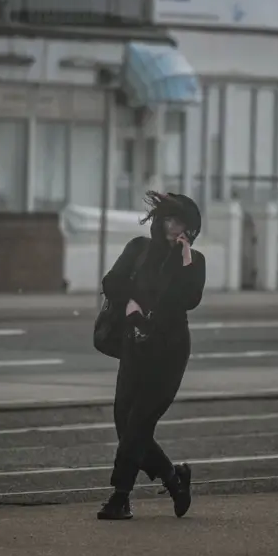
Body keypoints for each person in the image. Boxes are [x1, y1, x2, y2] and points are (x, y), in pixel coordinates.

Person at [97, 190, 207, 521]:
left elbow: (189, 299)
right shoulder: (138, 250)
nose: (174, 227)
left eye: (182, 223)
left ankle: (120, 496)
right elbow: (111, 282)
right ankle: (175, 478)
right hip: (136, 345)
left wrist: (185, 258)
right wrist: (132, 302)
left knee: (140, 423)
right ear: (159, 222)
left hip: (170, 352)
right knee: (124, 422)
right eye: (170, 220)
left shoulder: (194, 261)